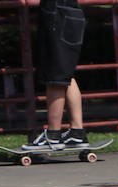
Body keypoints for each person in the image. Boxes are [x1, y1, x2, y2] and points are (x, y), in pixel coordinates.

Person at [23, 0, 90, 153]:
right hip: (71, 11)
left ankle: (53, 135)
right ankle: (77, 132)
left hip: (56, 12)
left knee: (55, 77)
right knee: (66, 74)